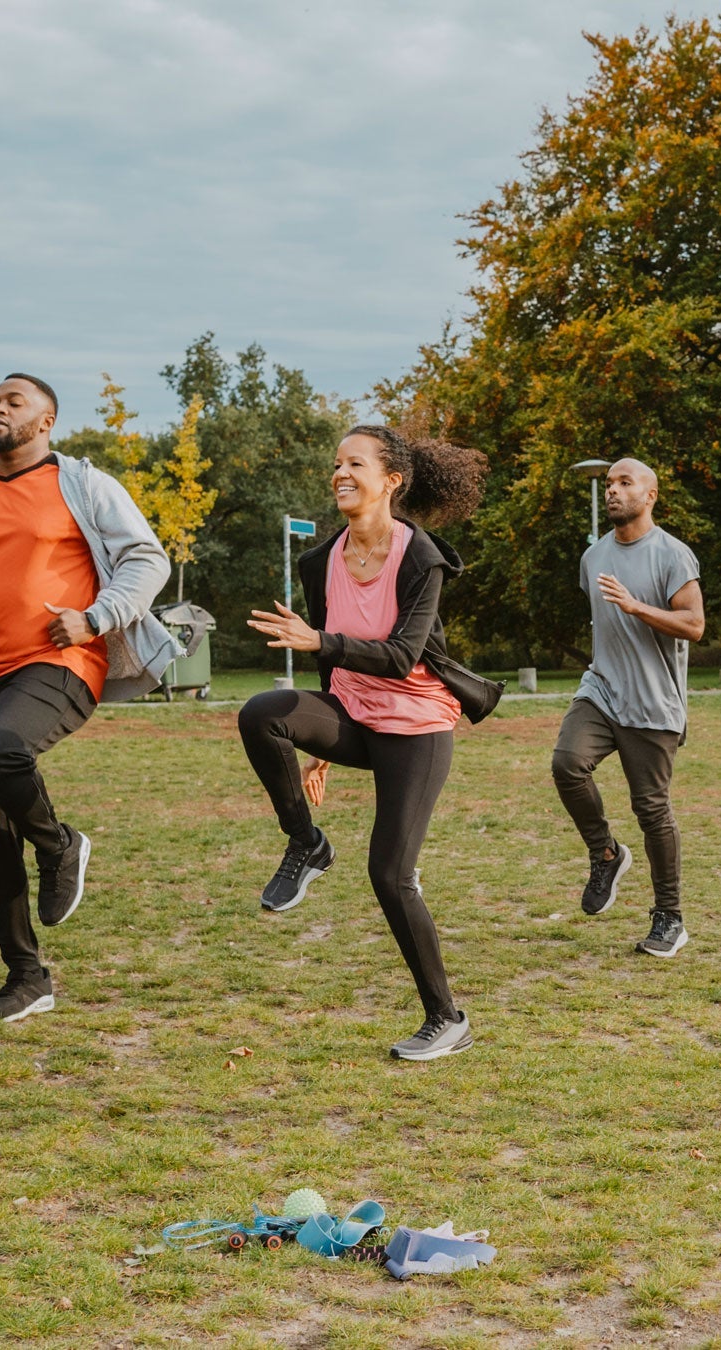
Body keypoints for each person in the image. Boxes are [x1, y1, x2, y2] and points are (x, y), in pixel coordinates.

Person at [0, 374, 180, 1023]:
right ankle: (28, 977)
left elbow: (147, 557)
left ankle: (58, 845)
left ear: (46, 421)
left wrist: (97, 617)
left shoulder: (81, 482)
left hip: (61, 660)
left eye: (14, 401)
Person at [239, 424, 502, 1061]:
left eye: (355, 464)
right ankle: (307, 844)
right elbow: (332, 668)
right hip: (355, 714)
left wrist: (318, 641)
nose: (341, 474)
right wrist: (315, 739)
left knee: (390, 874)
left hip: (417, 726)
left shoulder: (421, 558)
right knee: (262, 713)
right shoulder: (319, 561)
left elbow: (402, 654)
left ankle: (447, 1019)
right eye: (336, 464)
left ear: (391, 481)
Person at [550, 457, 705, 957]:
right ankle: (605, 854)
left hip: (654, 703)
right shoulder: (593, 557)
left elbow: (695, 625)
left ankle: (669, 917)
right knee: (567, 764)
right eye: (609, 483)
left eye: (625, 483)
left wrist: (637, 606)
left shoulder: (673, 555)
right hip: (601, 690)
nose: (613, 491)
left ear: (650, 495)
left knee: (652, 810)